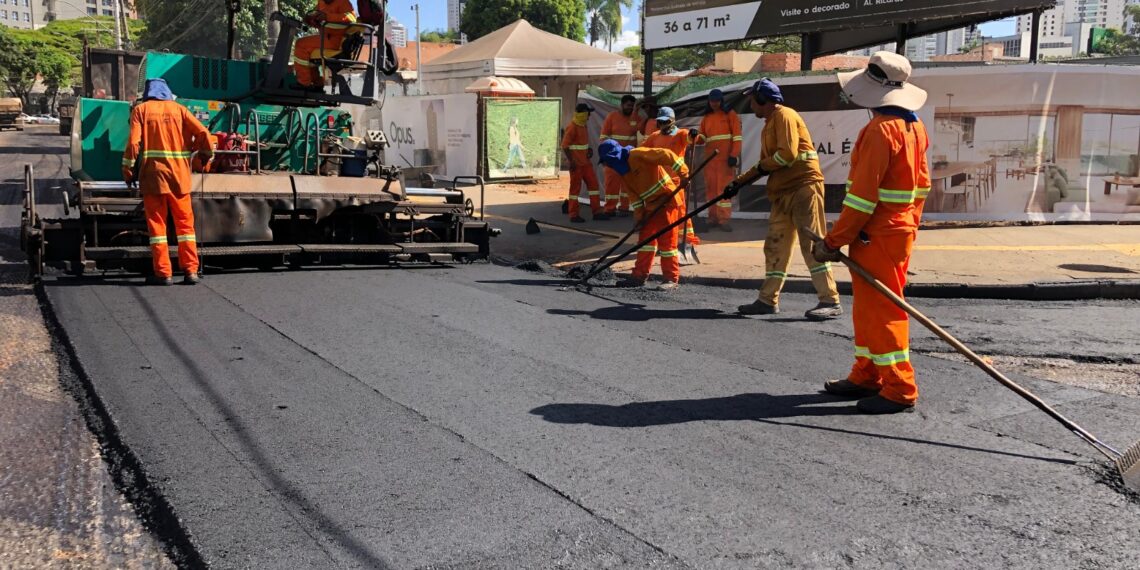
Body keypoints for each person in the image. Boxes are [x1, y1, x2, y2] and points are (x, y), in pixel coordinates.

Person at [812, 52, 932, 414]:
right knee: (868, 310)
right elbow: (922, 188)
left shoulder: (880, 131)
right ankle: (867, 373)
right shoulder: (914, 126)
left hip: (877, 235)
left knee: (882, 310)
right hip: (895, 232)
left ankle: (899, 386)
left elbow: (862, 199)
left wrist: (833, 242)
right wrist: (904, 225)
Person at [734, 79, 842, 321]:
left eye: (753, 99)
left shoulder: (784, 115)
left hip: (803, 187)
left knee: (812, 246)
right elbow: (769, 163)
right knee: (775, 245)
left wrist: (754, 173)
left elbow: (787, 154)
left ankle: (830, 300)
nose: (751, 104)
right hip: (783, 191)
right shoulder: (769, 124)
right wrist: (740, 181)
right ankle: (767, 300)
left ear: (763, 99)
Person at [122, 78, 214, 285]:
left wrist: (127, 169)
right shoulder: (180, 110)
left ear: (148, 93)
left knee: (157, 228)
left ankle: (163, 274)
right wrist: (205, 156)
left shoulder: (141, 110)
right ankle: (191, 271)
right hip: (179, 178)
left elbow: (133, 143)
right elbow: (203, 133)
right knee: (185, 226)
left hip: (153, 177)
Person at [597, 139, 687, 290]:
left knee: (667, 244)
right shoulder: (624, 171)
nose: (607, 165)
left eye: (607, 161)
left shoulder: (638, 154)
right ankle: (639, 276)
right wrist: (639, 218)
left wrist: (683, 174)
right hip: (651, 206)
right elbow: (635, 198)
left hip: (667, 200)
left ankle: (671, 279)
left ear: (614, 156)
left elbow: (667, 154)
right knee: (645, 242)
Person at [640, 106, 701, 256]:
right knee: (662, 215)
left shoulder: (681, 134)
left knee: (680, 213)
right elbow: (641, 151)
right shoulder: (654, 136)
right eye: (660, 122)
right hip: (660, 183)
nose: (663, 125)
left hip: (676, 182)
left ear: (672, 121)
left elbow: (692, 139)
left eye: (666, 122)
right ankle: (665, 243)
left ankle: (687, 242)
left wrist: (694, 135)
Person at [697, 89, 742, 231]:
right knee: (711, 191)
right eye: (712, 101)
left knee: (723, 191)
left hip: (725, 161)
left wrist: (733, 155)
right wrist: (694, 137)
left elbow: (737, 137)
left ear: (721, 101)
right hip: (710, 161)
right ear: (709, 102)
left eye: (717, 101)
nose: (714, 103)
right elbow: (702, 137)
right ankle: (712, 218)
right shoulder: (707, 117)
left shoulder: (730, 114)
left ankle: (724, 220)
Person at [292, 0, 358, 88]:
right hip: (325, 38)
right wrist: (310, 19)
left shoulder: (343, 2)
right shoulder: (321, 2)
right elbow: (318, 17)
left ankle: (304, 83)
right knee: (306, 49)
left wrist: (327, 17)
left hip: (335, 41)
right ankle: (316, 83)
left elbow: (352, 18)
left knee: (301, 44)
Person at [561, 103, 605, 222]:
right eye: (588, 113)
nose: (589, 116)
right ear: (584, 114)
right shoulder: (573, 127)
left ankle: (597, 212)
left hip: (585, 163)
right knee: (575, 190)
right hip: (577, 164)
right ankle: (573, 215)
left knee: (594, 186)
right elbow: (565, 146)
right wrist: (572, 162)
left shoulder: (583, 125)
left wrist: (588, 150)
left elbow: (580, 145)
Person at [600, 95, 640, 216]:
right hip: (613, 158)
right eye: (628, 105)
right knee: (611, 185)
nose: (630, 108)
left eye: (632, 107)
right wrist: (604, 156)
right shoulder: (612, 117)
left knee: (627, 185)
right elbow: (603, 137)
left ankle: (624, 208)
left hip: (628, 157)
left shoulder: (637, 118)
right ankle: (609, 209)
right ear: (622, 105)